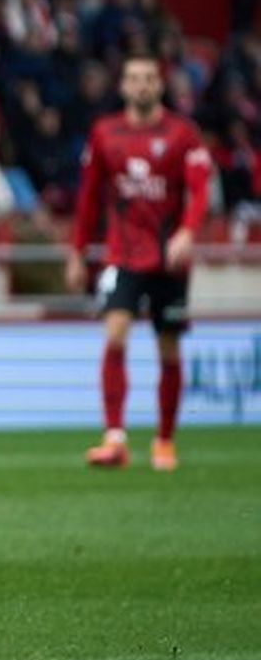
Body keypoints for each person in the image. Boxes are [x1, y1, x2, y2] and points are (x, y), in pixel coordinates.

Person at [64, 57, 212, 471]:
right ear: (124, 86)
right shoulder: (105, 132)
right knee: (115, 333)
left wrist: (188, 231)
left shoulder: (183, 134)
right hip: (123, 254)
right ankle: (114, 438)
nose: (141, 85)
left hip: (169, 259)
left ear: (159, 86)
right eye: (133, 79)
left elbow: (199, 191)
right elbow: (89, 198)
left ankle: (164, 440)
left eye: (148, 79)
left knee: (168, 347)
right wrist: (78, 252)